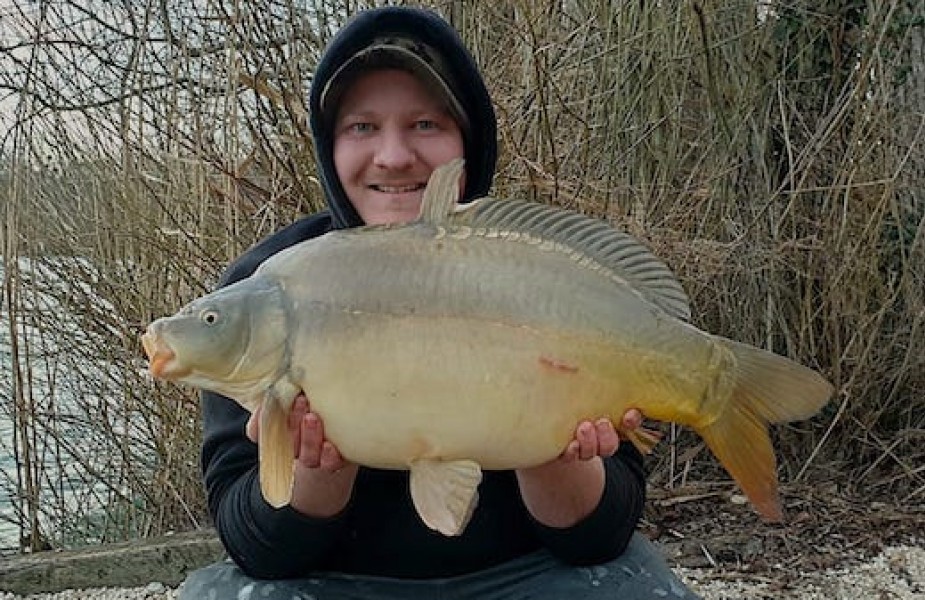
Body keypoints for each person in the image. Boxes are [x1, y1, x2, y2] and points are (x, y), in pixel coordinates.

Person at [179, 6, 700, 599]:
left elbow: (599, 542)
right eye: (362, 127)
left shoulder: (544, 273)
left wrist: (552, 449)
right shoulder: (267, 287)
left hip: (529, 575)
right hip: (339, 583)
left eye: (425, 124)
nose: (395, 156)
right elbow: (254, 549)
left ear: (468, 140)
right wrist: (318, 468)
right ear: (329, 147)